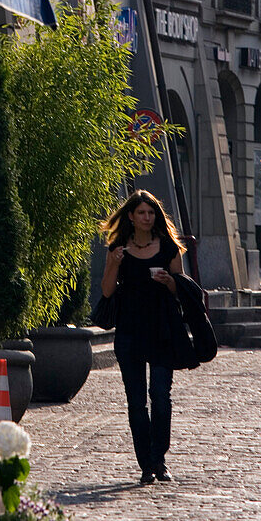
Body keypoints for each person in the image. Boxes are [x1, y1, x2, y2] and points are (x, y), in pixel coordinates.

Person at [100, 189, 186, 486]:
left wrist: (170, 282)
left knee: (161, 397)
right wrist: (113, 263)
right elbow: (107, 291)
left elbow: (183, 290)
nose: (147, 217)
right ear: (131, 217)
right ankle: (146, 464)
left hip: (162, 329)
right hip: (129, 331)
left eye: (151, 212)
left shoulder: (168, 248)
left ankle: (159, 458)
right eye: (142, 213)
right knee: (136, 401)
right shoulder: (118, 248)